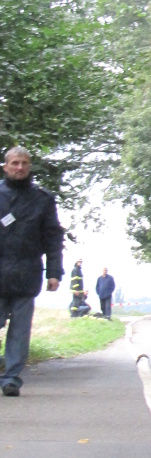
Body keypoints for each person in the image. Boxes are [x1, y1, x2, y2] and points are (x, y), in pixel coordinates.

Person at [0, 146, 64, 395]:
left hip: (27, 274)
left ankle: (11, 379)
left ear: (29, 166)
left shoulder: (42, 199)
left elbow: (52, 237)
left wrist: (54, 272)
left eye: (24, 163)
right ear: (5, 166)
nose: (19, 168)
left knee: (20, 330)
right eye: (15, 163)